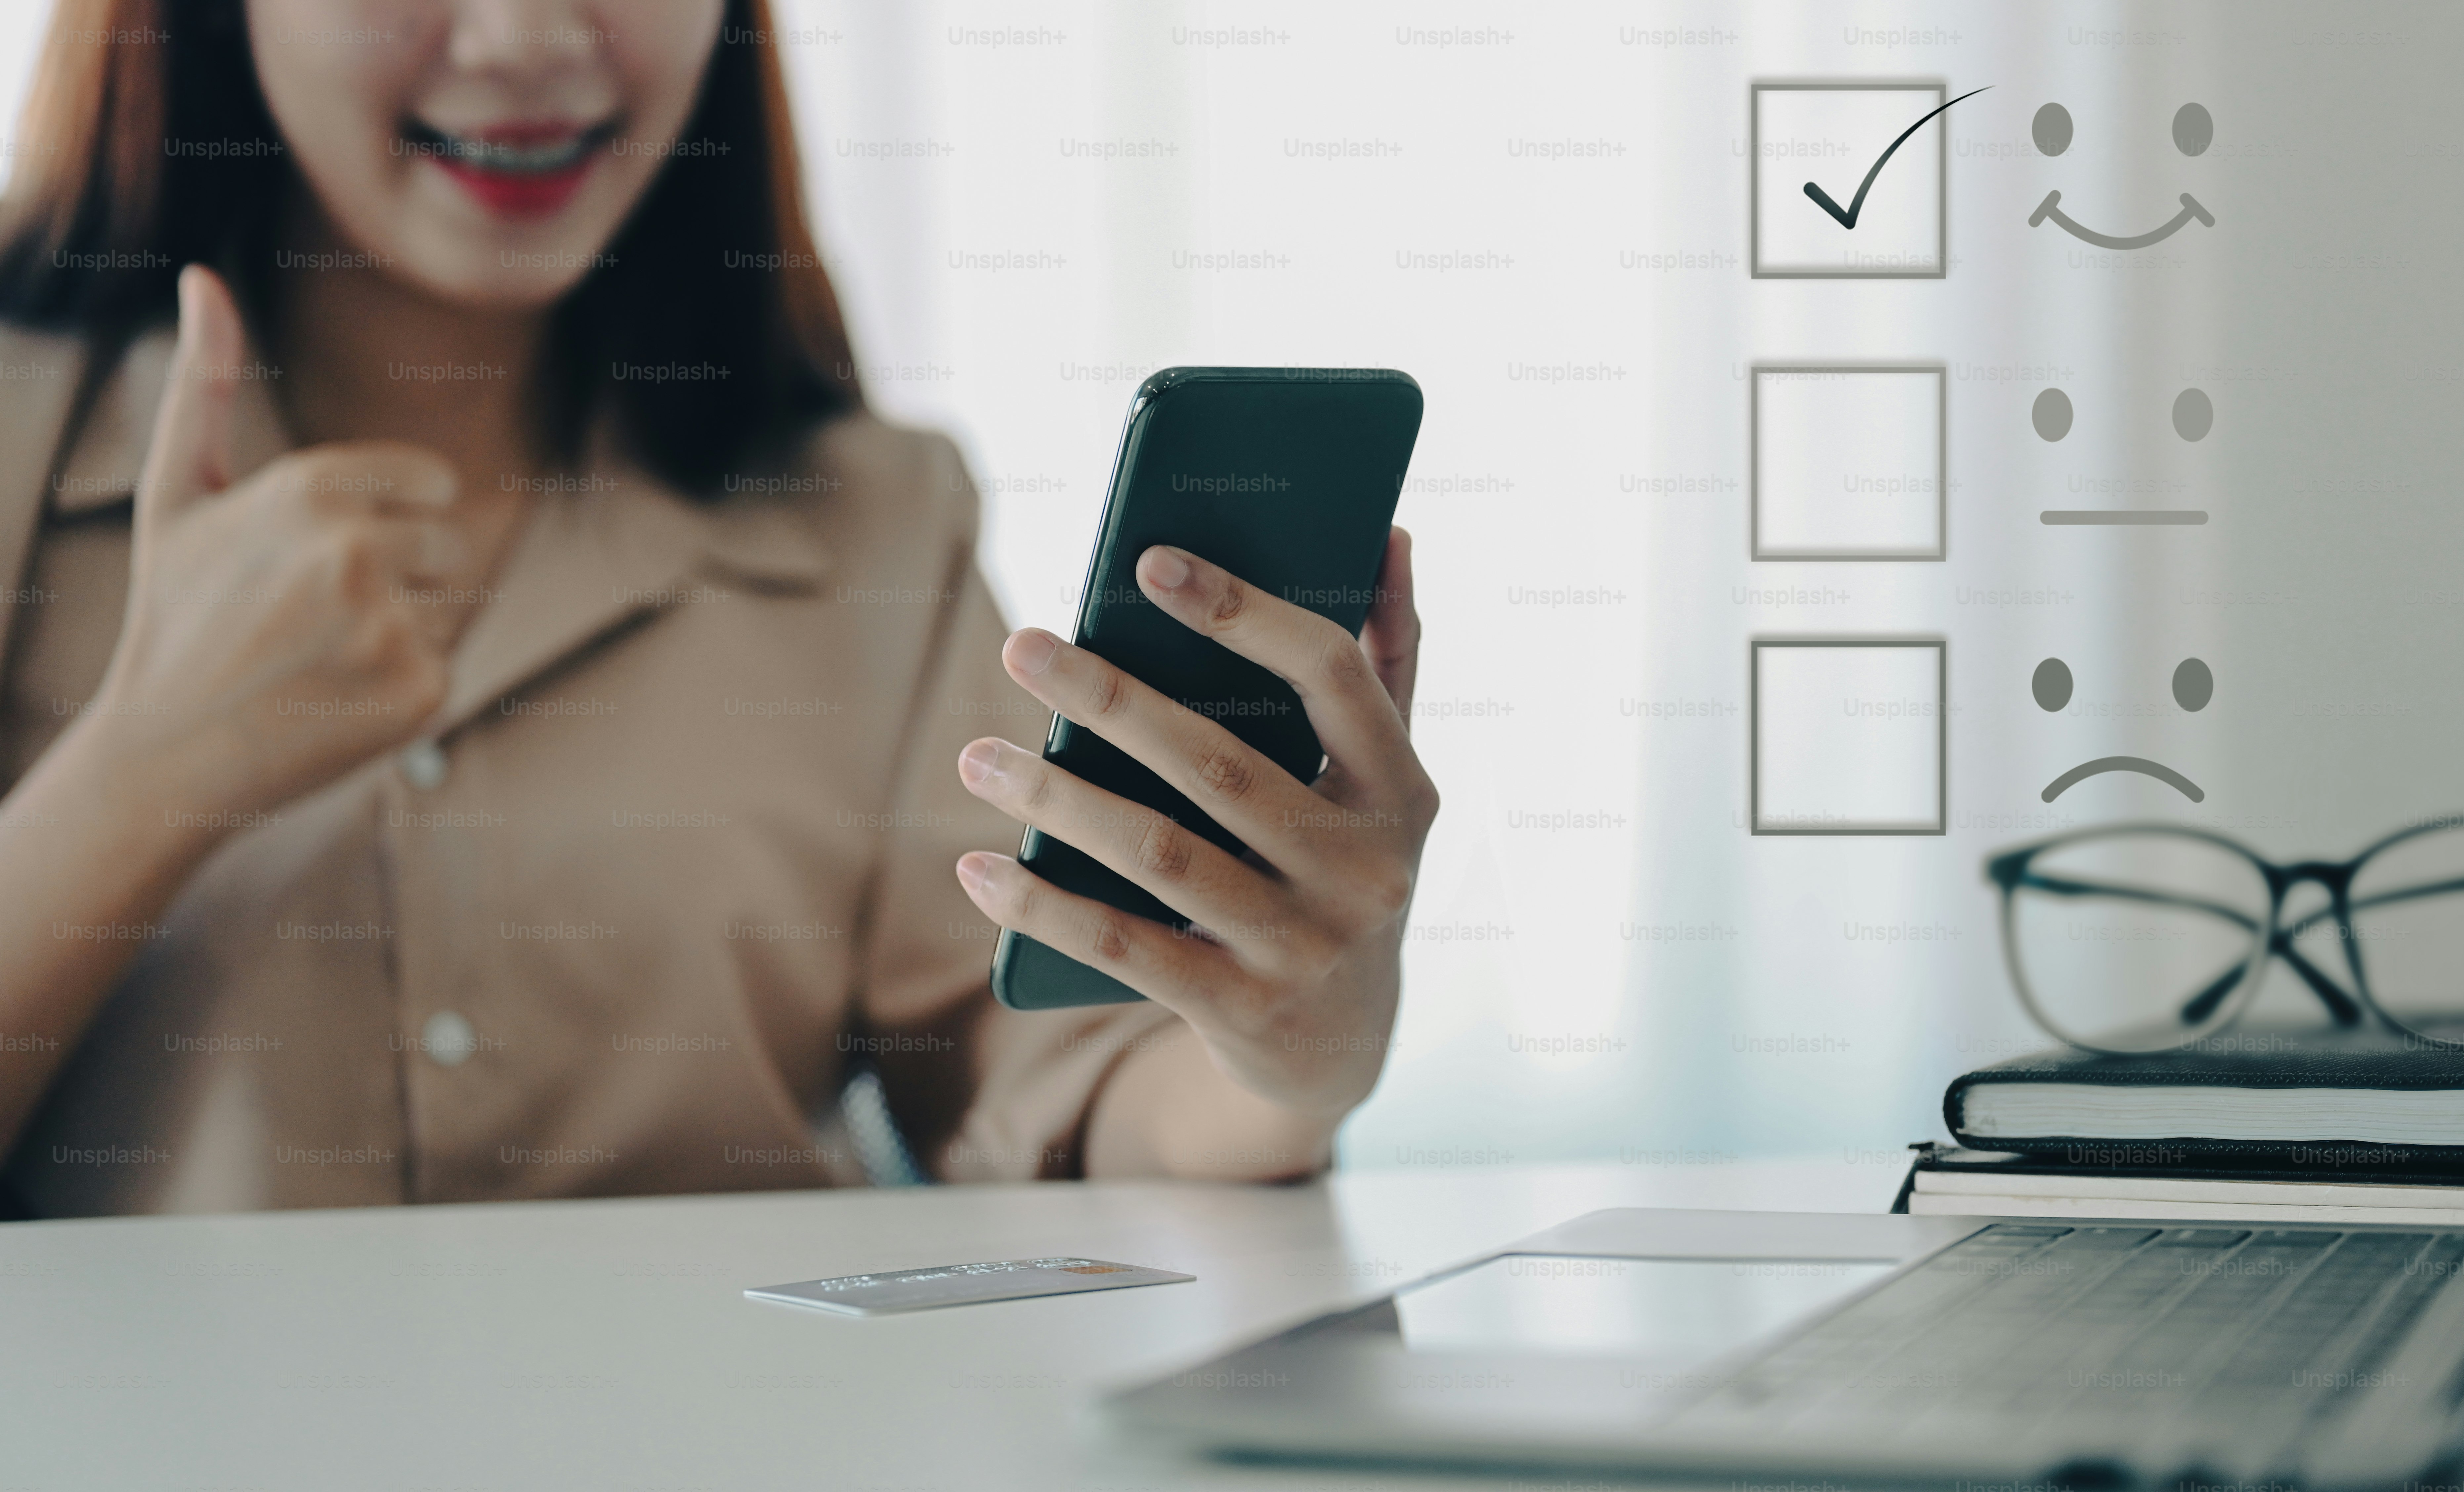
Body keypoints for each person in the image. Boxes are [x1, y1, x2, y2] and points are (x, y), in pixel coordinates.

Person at [0, 0, 1434, 1216]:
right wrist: (147, 767)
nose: (526, 41)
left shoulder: (874, 515)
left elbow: (1032, 1097)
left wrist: (1287, 1057)